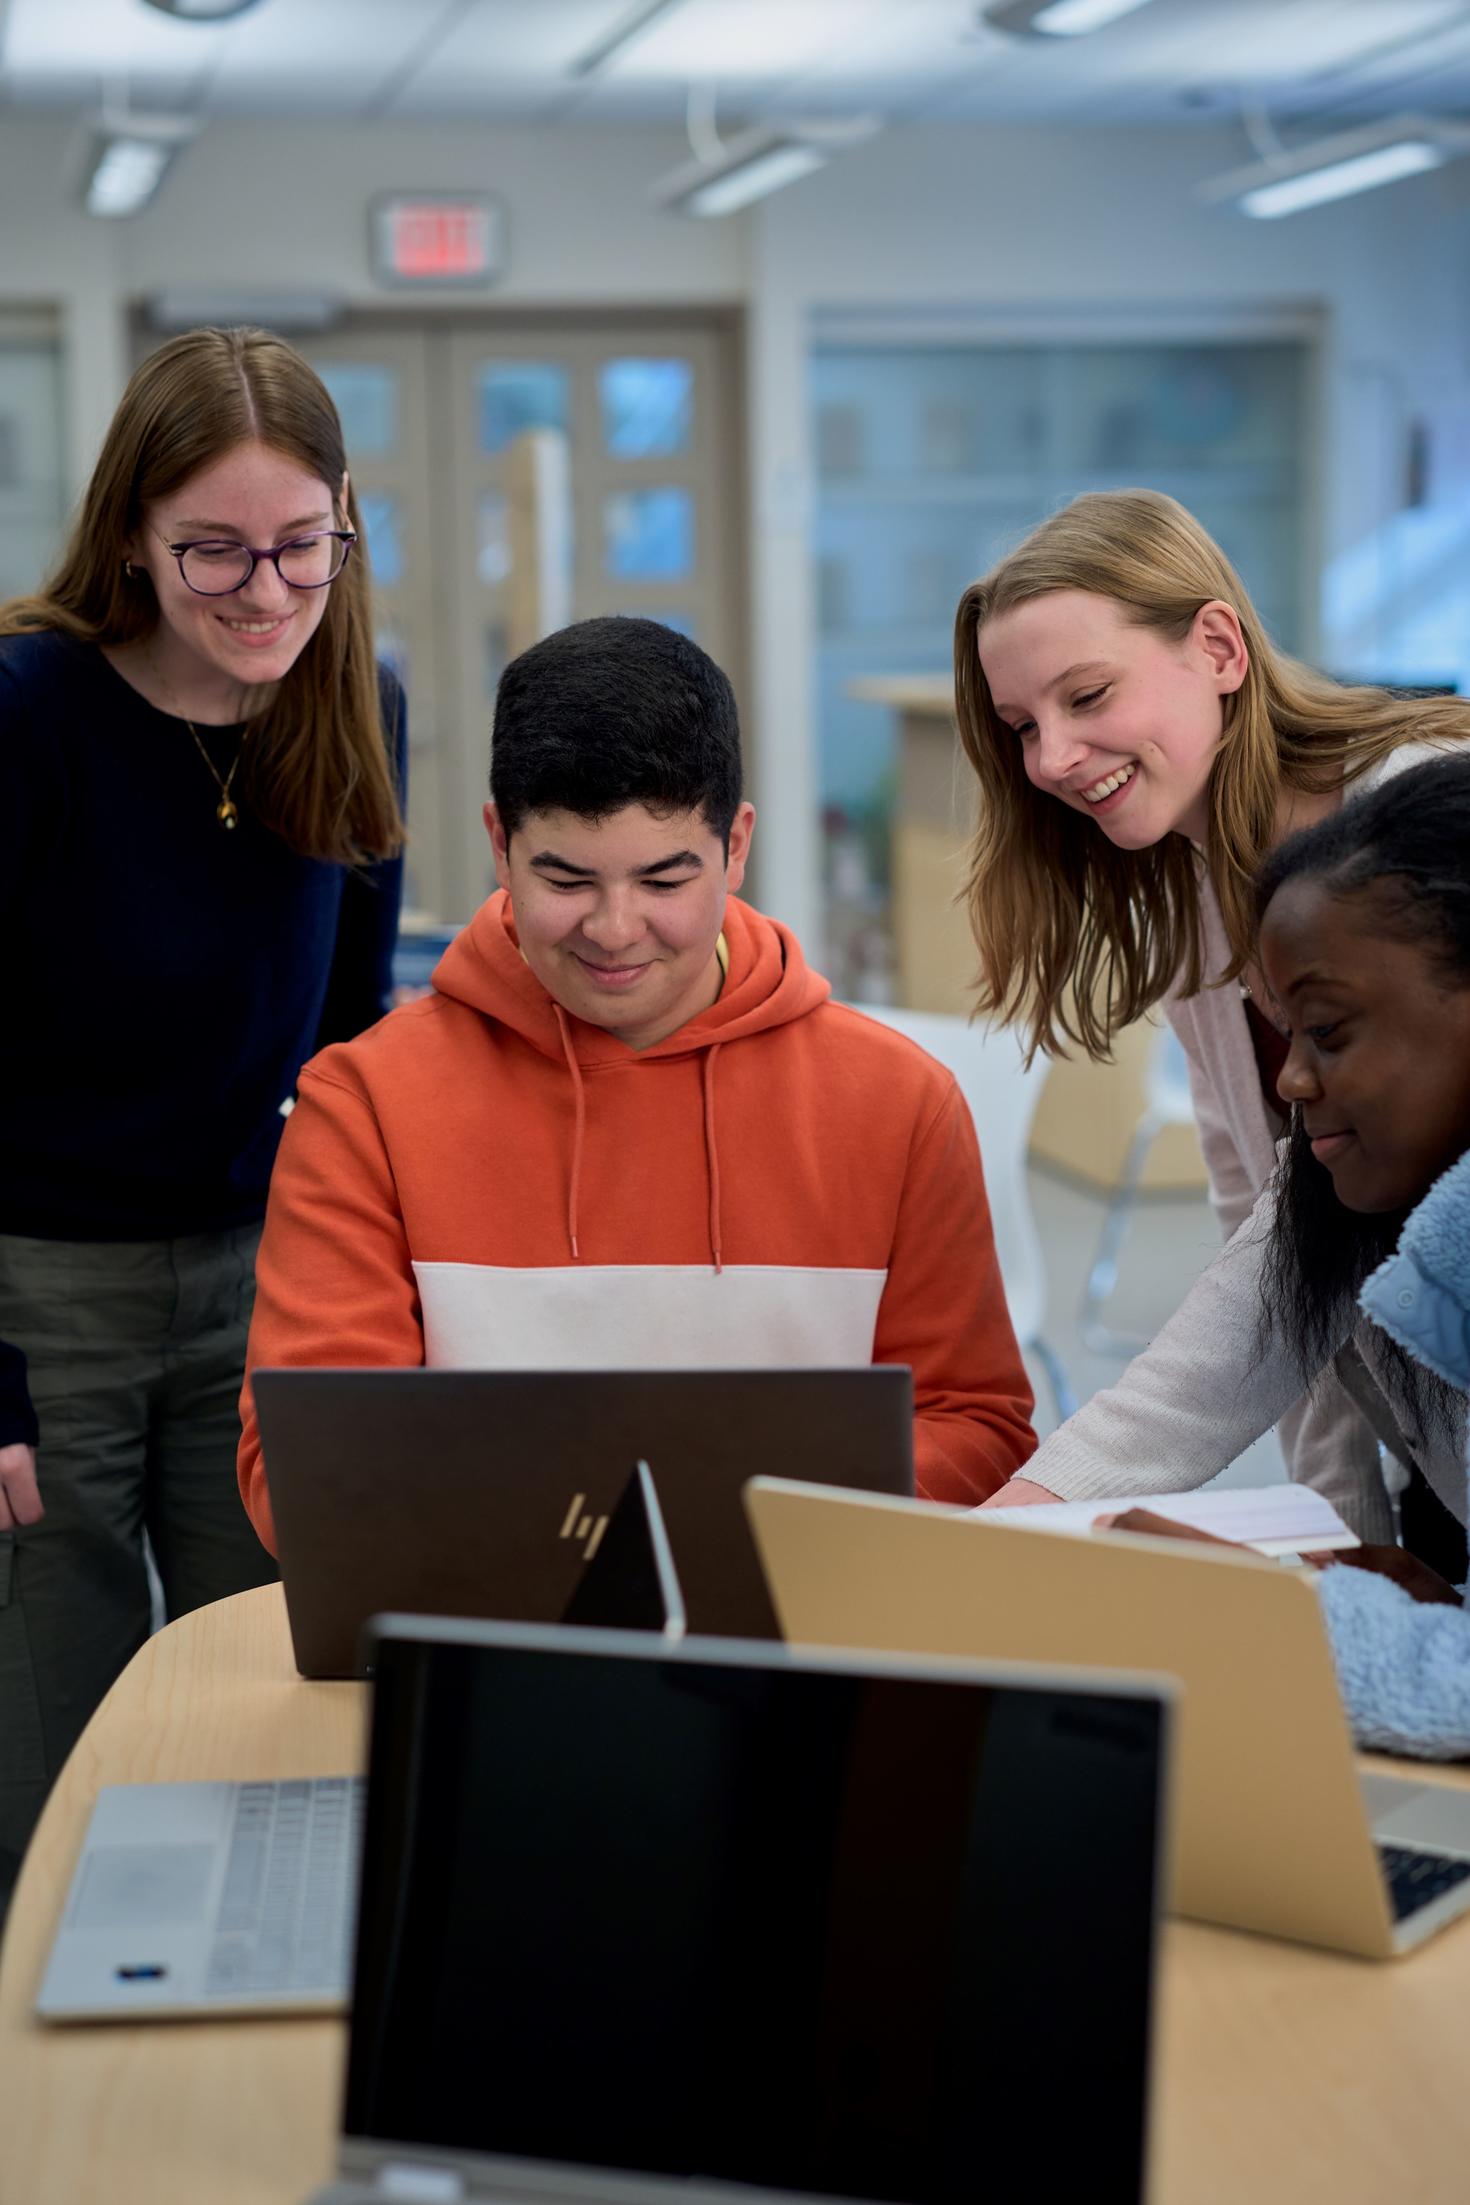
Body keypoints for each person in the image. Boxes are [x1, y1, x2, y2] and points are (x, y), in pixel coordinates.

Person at [237, 615, 1036, 1549]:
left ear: (736, 847)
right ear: (500, 843)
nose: (615, 931)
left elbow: (977, 1425)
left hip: (800, 1636)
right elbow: (307, 1465)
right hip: (485, 1637)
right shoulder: (363, 1105)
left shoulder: (899, 1103)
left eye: (664, 880)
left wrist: (730, 1523)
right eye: (566, 879)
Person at [0, 326, 406, 1910]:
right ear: (129, 534)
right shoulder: (31, 708)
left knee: (272, 1686)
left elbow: (357, 1036)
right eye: (213, 552)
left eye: (302, 548)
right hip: (44, 1293)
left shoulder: (349, 694)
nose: (263, 594)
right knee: (63, 1724)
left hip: (266, 1275)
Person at [955, 488, 1470, 1554]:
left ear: (1220, 647)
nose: (1051, 758)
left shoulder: (1418, 818)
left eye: (1087, 694)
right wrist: (1349, 1542)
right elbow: (1282, 1261)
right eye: (1022, 728)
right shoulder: (1198, 900)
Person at [1111, 758, 1470, 1756]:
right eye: (1282, 1037)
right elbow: (1181, 1392)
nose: (1295, 1079)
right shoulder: (1335, 1194)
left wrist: (1254, 1614)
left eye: (1327, 1032)